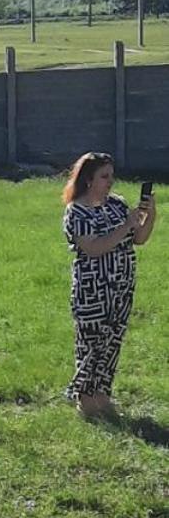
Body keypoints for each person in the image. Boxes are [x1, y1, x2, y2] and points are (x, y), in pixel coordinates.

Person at [62, 153, 156, 416]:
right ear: (88, 179)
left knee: (112, 343)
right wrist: (126, 224)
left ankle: (102, 394)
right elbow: (93, 248)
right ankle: (84, 397)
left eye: (112, 176)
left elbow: (138, 238)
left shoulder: (116, 204)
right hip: (93, 289)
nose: (110, 182)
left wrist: (149, 215)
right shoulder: (76, 211)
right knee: (91, 343)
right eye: (104, 176)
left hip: (121, 286)